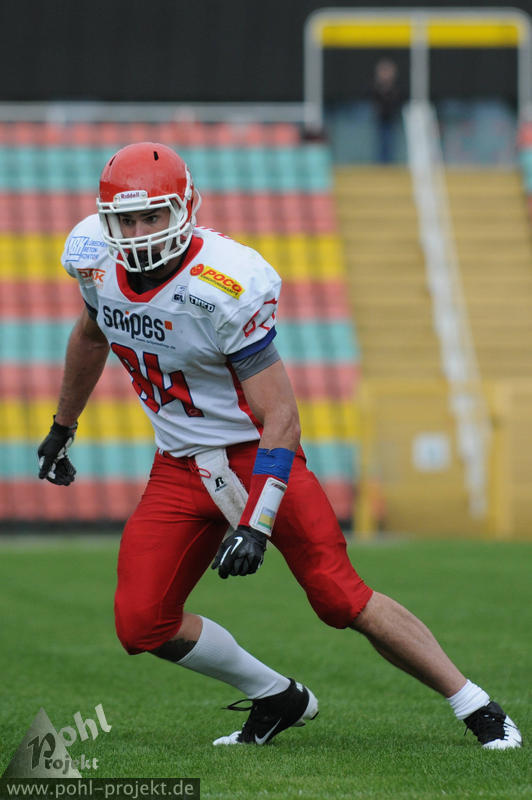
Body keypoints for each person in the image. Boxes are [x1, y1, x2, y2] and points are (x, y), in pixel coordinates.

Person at [37, 142, 521, 749]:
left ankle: (477, 705)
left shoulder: (223, 283)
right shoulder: (95, 263)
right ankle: (277, 697)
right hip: (179, 467)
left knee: (339, 597)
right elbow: (91, 335)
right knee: (141, 623)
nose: (138, 234)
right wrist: (63, 425)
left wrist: (256, 522)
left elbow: (282, 419)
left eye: (152, 216)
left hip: (256, 454)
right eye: (126, 220)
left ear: (185, 208)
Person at [370, 58, 402, 164]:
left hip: (393, 120)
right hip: (379, 120)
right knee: (380, 144)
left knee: (391, 144)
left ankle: (389, 164)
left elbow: (396, 103)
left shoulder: (397, 89)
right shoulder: (374, 88)